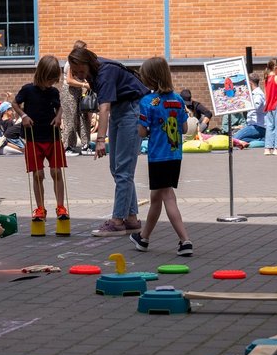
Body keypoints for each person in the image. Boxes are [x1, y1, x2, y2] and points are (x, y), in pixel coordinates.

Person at [67, 46, 149, 237]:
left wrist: (101, 140)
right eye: (75, 72)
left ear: (88, 63)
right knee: (118, 169)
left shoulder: (106, 72)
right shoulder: (94, 72)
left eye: (81, 71)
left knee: (124, 170)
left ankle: (117, 221)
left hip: (132, 111)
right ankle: (131, 218)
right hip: (120, 112)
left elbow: (104, 109)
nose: (79, 76)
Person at [129, 57, 193, 257]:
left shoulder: (147, 101)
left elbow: (141, 132)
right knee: (156, 196)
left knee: (167, 196)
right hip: (175, 155)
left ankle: (185, 240)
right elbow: (183, 128)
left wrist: (149, 129)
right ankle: (144, 237)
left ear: (150, 78)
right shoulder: (178, 99)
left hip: (158, 157)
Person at [14, 55, 68, 224]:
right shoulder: (28, 90)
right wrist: (23, 116)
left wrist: (59, 117)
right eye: (50, 80)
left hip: (52, 135)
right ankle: (40, 208)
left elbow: (60, 107)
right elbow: (15, 103)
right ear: (42, 75)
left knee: (56, 171)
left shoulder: (53, 92)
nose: (52, 83)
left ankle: (60, 206)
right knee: (38, 174)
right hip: (33, 137)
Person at [60, 40, 91, 156]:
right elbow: (69, 80)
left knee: (84, 118)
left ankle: (85, 145)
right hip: (69, 92)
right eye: (84, 50)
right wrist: (84, 84)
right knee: (70, 118)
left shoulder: (83, 63)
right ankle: (68, 146)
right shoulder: (71, 63)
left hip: (80, 91)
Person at [233, 72, 266, 144]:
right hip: (254, 125)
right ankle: (261, 140)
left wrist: (244, 103)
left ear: (250, 83)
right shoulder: (254, 93)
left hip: (257, 126)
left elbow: (256, 106)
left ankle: (263, 140)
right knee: (242, 140)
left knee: (233, 140)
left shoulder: (257, 94)